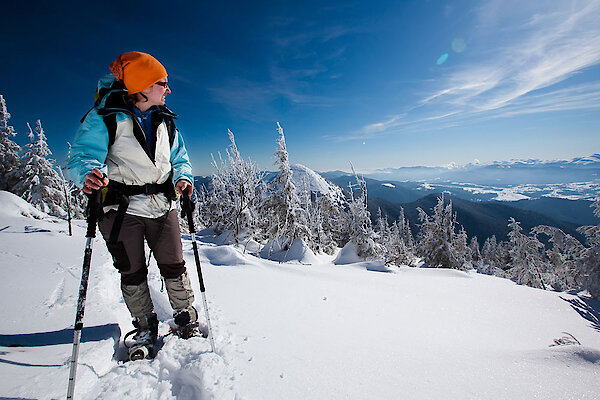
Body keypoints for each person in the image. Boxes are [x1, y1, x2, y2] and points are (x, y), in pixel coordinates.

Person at [68, 51, 198, 350]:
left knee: (174, 264)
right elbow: (84, 156)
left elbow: (180, 158)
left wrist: (184, 178)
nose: (168, 89)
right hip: (120, 209)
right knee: (132, 269)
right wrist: (89, 173)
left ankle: (184, 315)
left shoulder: (165, 120)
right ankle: (144, 325)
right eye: (162, 83)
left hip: (163, 205)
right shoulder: (105, 117)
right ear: (142, 85)